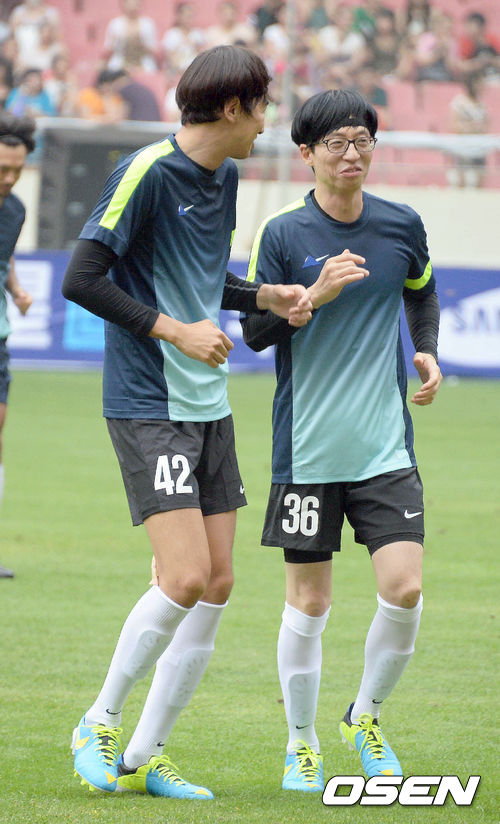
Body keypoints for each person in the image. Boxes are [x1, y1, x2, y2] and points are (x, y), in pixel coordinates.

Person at [62, 45, 312, 800]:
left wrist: (262, 296)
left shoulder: (225, 176)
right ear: (233, 107)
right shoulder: (144, 172)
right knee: (184, 576)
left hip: (207, 404)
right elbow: (82, 278)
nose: (266, 125)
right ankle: (98, 721)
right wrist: (174, 331)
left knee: (218, 582)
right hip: (148, 400)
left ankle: (146, 754)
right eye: (262, 109)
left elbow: (202, 281)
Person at [241, 88, 442, 792]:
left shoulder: (401, 224)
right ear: (307, 153)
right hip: (308, 450)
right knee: (310, 604)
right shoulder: (283, 234)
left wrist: (424, 347)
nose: (351, 154)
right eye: (336, 143)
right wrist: (312, 299)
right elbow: (255, 333)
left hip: (385, 447)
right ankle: (301, 742)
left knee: (405, 589)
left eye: (362, 140)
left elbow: (420, 288)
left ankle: (366, 716)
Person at [0, 112, 35, 579]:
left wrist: (16, 289)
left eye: (17, 170)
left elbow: (3, 258)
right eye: (2, 169)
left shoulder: (15, 210)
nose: (9, 178)